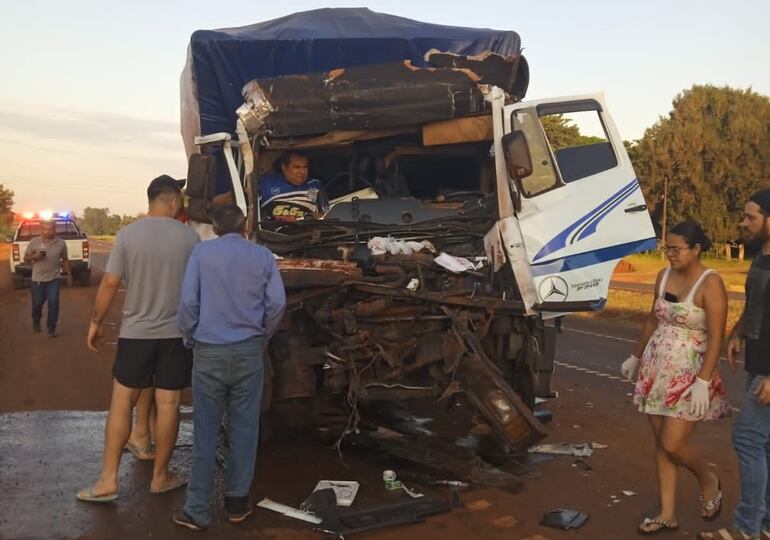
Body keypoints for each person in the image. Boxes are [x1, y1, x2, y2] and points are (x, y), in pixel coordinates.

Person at [76, 175, 200, 503]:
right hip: (176, 335)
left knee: (121, 403)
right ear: (173, 201)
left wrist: (95, 322)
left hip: (136, 335)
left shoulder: (128, 235)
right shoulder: (190, 238)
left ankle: (107, 480)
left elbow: (109, 284)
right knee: (169, 404)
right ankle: (160, 477)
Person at [172, 204, 286, 530]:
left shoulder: (201, 255)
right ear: (245, 226)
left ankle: (197, 510)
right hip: (249, 351)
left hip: (208, 351)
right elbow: (277, 303)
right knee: (244, 430)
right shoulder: (263, 256)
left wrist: (191, 337)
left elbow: (188, 305)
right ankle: (237, 503)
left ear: (215, 228)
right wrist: (262, 336)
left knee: (205, 431)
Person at [621, 219, 730, 535]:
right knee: (660, 442)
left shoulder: (710, 283)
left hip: (690, 374)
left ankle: (707, 478)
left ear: (696, 249)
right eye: (666, 247)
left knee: (673, 443)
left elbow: (717, 336)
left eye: (676, 248)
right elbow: (651, 321)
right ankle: (667, 513)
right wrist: (635, 356)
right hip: (656, 369)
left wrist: (704, 381)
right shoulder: (662, 276)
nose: (669, 254)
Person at [700, 188, 770, 540]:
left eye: (751, 217)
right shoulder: (761, 258)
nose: (744, 222)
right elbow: (757, 305)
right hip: (757, 363)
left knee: (747, 440)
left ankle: (746, 529)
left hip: (768, 371)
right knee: (765, 444)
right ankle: (765, 525)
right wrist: (738, 333)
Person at [24, 220, 73, 336]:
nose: (48, 232)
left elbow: (65, 259)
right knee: (37, 304)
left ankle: (51, 328)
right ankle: (36, 320)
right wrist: (34, 256)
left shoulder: (61, 243)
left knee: (53, 303)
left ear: (55, 229)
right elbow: (25, 258)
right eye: (45, 229)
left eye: (50, 229)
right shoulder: (34, 242)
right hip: (37, 280)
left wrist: (69, 275)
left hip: (54, 279)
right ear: (41, 229)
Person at [259, 151, 328, 221]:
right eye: (297, 167)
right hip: (271, 231)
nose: (302, 172)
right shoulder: (266, 183)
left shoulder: (314, 186)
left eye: (305, 167)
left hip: (306, 230)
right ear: (284, 167)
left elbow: (323, 215)